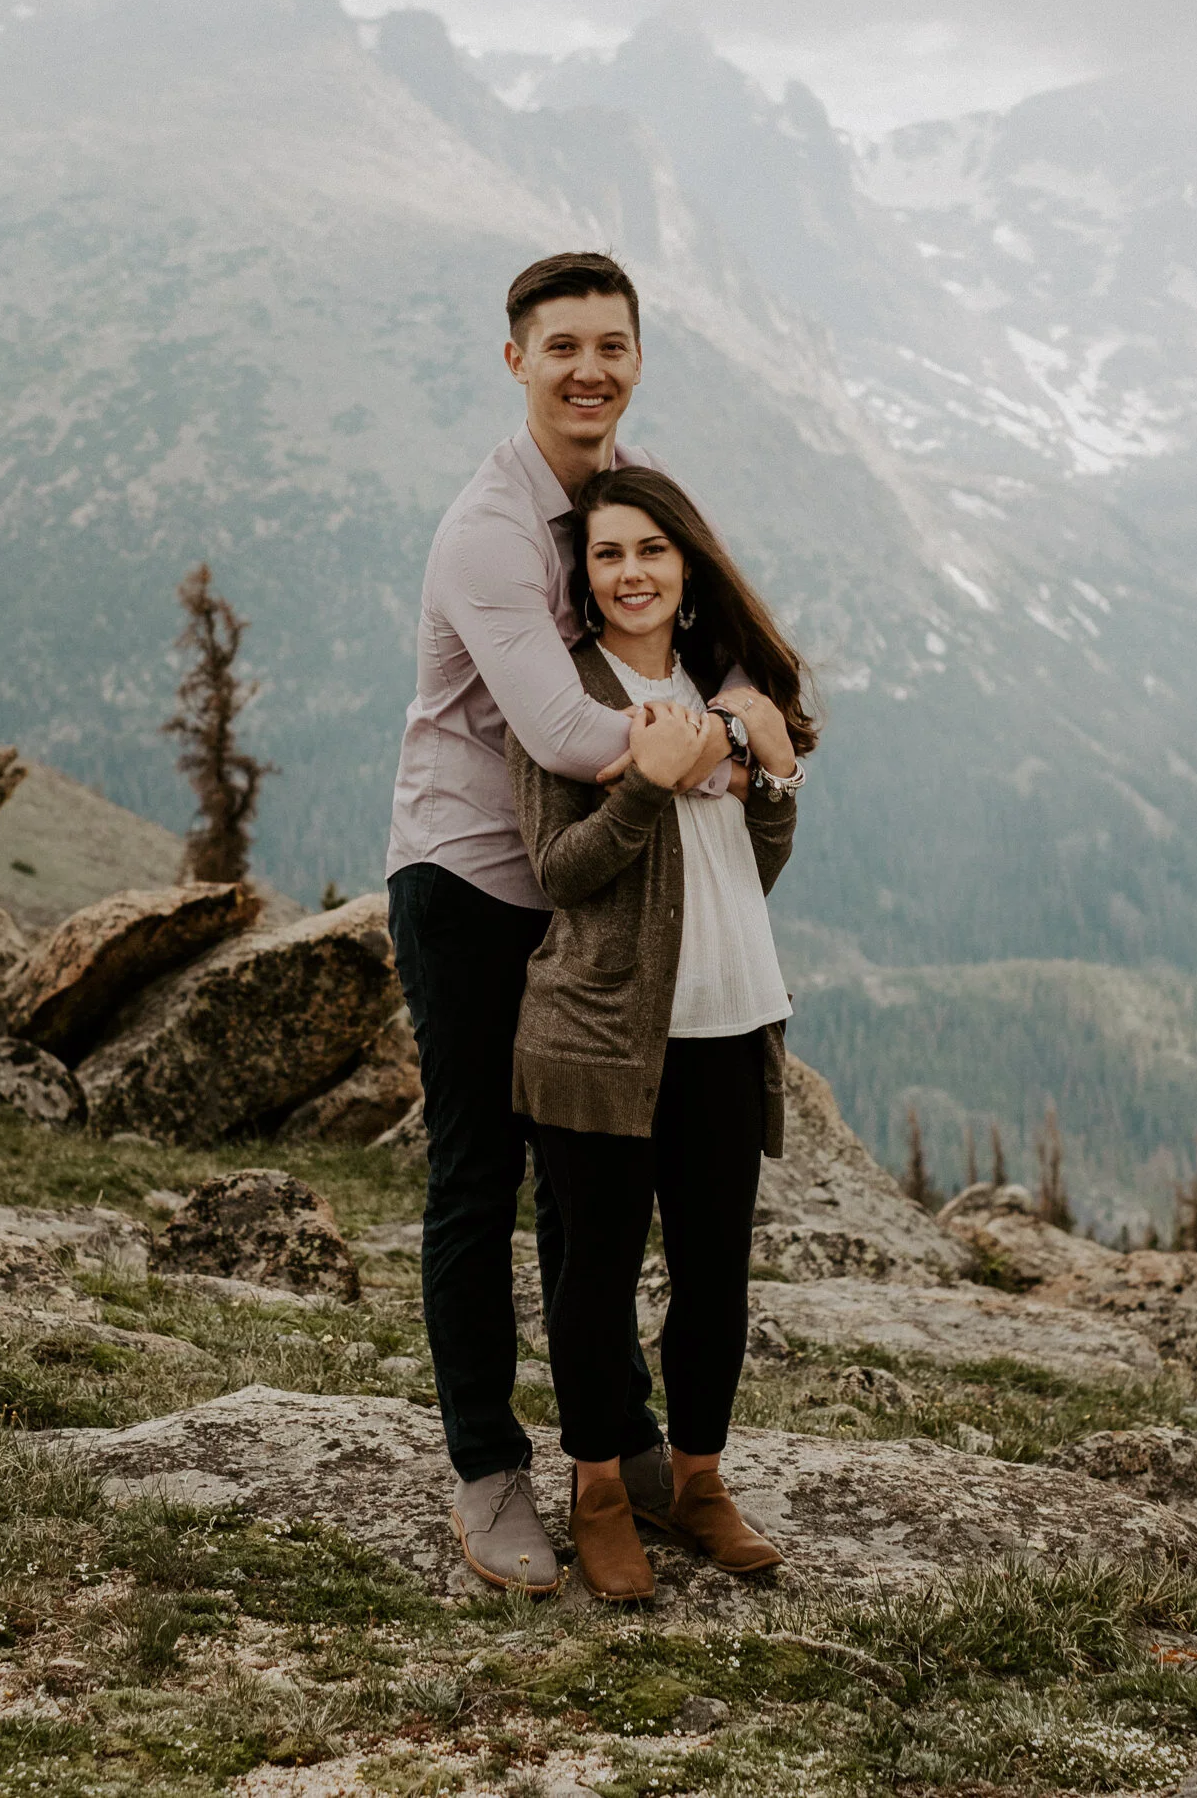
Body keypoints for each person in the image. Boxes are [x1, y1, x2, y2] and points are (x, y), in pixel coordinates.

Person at [387, 252, 739, 1595]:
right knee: (481, 1178)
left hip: (583, 884)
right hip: (475, 884)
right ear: (515, 362)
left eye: (612, 343)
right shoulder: (488, 531)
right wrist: (731, 748)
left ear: (637, 357)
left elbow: (689, 647)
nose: (589, 367)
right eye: (561, 347)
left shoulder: (622, 497)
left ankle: (622, 1447)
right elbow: (571, 731)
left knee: (592, 1180)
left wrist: (747, 709)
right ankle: (487, 1473)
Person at [506, 464, 817, 1601]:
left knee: (714, 1273)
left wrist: (772, 783)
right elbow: (561, 869)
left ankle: (696, 1480)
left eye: (650, 551)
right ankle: (597, 1493)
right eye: (606, 555)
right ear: (583, 582)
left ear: (687, 568)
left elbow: (748, 867)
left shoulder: (717, 688)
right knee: (595, 1277)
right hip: (599, 1035)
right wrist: (644, 782)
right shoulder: (562, 697)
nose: (630, 572)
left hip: (732, 1018)